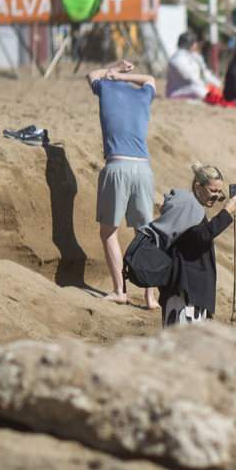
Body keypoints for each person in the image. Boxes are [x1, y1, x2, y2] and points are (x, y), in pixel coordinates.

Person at [88, 59, 160, 307]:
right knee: (145, 234)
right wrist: (125, 76)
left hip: (117, 166)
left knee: (109, 232)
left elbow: (92, 73)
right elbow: (150, 79)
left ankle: (120, 290)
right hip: (143, 168)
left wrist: (114, 69)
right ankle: (150, 296)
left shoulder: (105, 89)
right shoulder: (143, 96)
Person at [149, 163, 236, 327]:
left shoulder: (191, 206)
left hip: (190, 289)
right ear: (198, 187)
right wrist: (226, 212)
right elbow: (202, 236)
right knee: (180, 344)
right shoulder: (188, 207)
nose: (216, 196)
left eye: (219, 192)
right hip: (185, 290)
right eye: (212, 191)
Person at [165, 31, 219, 101]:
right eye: (195, 43)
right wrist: (205, 86)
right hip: (176, 91)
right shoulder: (177, 59)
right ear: (190, 44)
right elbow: (190, 78)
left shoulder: (195, 56)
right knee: (200, 90)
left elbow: (206, 73)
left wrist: (217, 84)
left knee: (211, 89)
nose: (196, 45)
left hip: (193, 87)